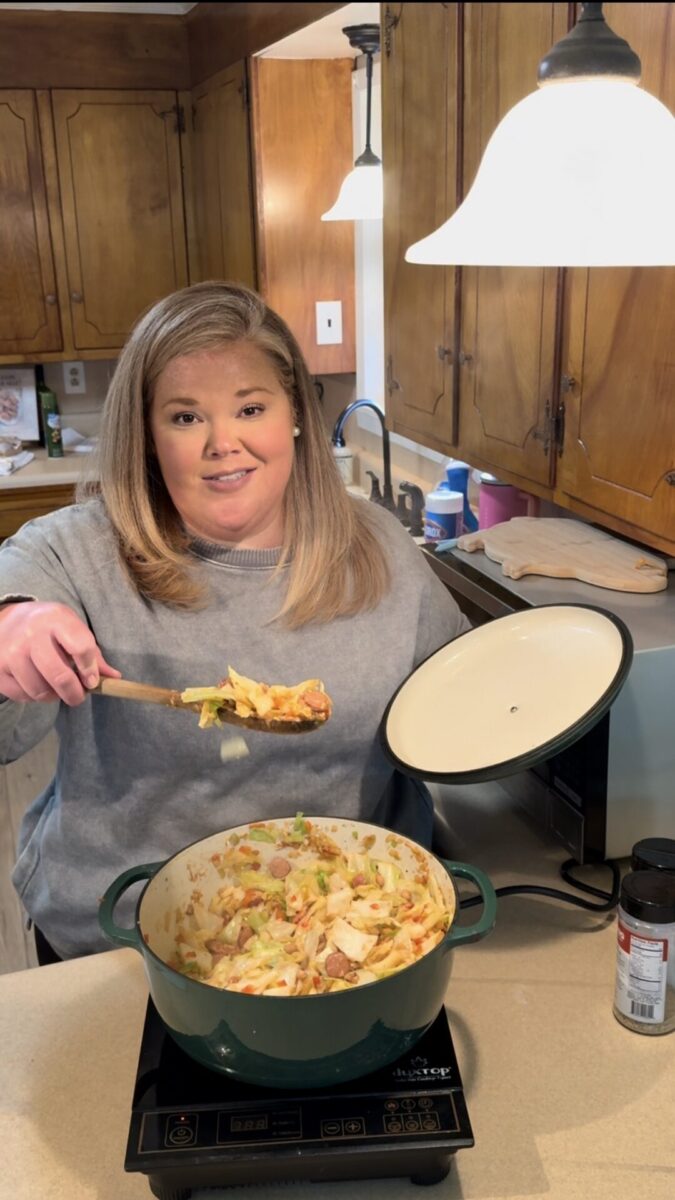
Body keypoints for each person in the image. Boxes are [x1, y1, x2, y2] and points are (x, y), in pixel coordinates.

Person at [0, 282, 470, 963]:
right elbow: (14, 615)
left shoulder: (377, 544)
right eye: (186, 418)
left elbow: (459, 701)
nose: (225, 443)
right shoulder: (75, 553)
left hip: (353, 931)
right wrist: (14, 631)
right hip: (128, 940)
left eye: (250, 408)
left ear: (296, 415)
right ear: (147, 434)